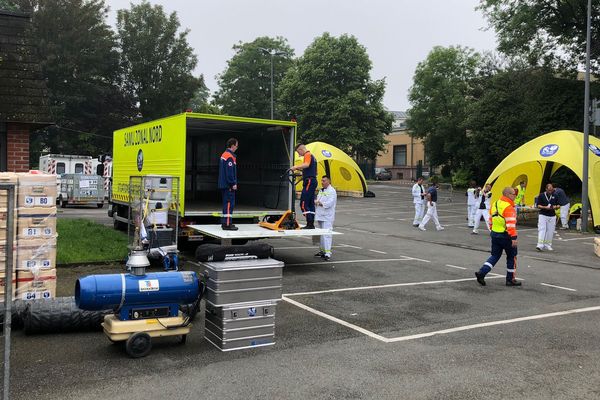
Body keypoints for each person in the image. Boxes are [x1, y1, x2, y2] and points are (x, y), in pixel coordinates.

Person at [474, 187, 521, 287]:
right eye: (513, 194)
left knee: (495, 255)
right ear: (508, 194)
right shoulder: (508, 207)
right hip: (506, 235)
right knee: (512, 256)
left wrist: (492, 229)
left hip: (495, 234)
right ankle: (510, 279)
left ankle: (482, 273)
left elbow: (490, 219)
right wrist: (513, 238)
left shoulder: (495, 203)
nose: (515, 196)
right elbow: (511, 224)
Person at [291, 143, 317, 229]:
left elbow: (306, 165)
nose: (299, 154)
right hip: (312, 180)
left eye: (298, 152)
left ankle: (309, 223)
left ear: (301, 149)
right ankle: (311, 223)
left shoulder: (307, 154)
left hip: (309, 181)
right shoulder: (313, 157)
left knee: (303, 202)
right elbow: (312, 170)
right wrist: (299, 169)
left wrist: (295, 166)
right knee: (311, 203)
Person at [314, 175, 337, 261]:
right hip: (320, 215)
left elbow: (329, 203)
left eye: (324, 181)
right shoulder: (321, 190)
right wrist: (316, 202)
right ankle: (322, 251)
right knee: (321, 234)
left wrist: (319, 203)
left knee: (327, 234)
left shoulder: (332, 191)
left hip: (327, 216)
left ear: (329, 181)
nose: (322, 182)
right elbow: (318, 200)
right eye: (321, 180)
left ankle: (328, 253)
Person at [218, 138, 239, 230]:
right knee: (229, 204)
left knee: (226, 204)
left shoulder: (224, 155)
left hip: (224, 185)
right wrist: (233, 183)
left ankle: (225, 222)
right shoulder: (229, 157)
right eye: (237, 145)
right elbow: (229, 173)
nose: (237, 147)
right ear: (233, 145)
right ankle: (227, 224)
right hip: (228, 185)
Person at [536, 183, 559, 251]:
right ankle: (540, 245)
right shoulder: (541, 195)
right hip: (543, 214)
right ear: (546, 189)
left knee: (550, 231)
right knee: (542, 229)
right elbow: (538, 205)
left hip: (552, 215)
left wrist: (556, 207)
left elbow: (558, 205)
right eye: (549, 190)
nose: (550, 191)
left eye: (551, 190)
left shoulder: (555, 195)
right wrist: (545, 207)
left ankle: (548, 245)